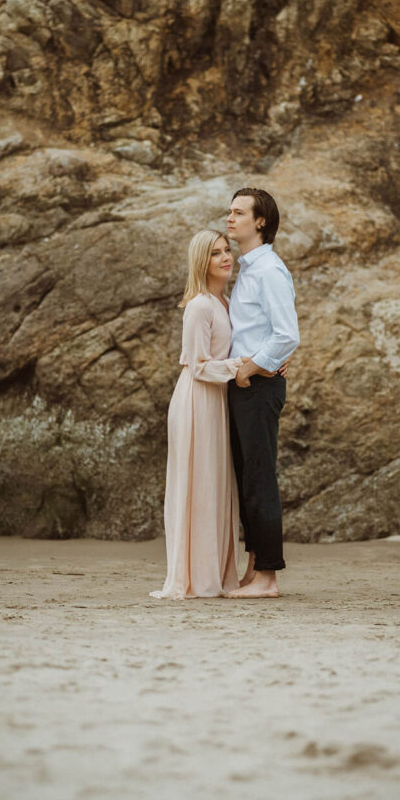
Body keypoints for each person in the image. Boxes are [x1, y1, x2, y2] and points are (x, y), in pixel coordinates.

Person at [150, 230, 244, 599]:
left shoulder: (223, 301)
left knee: (215, 485)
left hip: (217, 399)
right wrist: (245, 366)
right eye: (215, 253)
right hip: (196, 400)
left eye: (227, 250)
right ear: (200, 262)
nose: (225, 257)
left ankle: (213, 575)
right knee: (198, 485)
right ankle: (195, 578)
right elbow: (200, 365)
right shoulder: (200, 306)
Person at [225, 188, 300, 599]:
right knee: (246, 477)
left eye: (239, 212)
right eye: (230, 211)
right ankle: (254, 569)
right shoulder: (250, 268)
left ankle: (268, 578)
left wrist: (251, 369)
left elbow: (288, 334)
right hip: (248, 384)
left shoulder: (268, 269)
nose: (230, 218)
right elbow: (266, 331)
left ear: (260, 222)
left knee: (259, 479)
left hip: (256, 386)